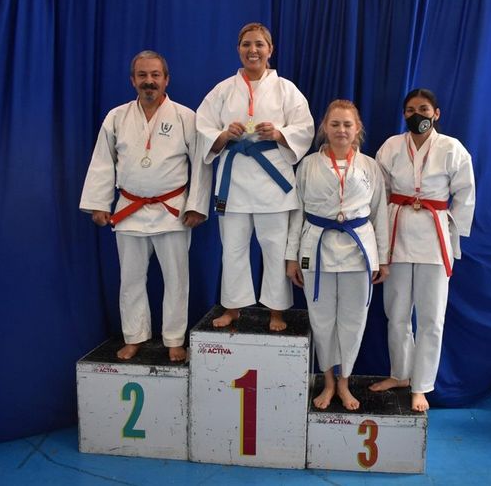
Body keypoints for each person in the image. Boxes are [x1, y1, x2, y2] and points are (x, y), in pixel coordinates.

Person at [79, 50, 211, 362]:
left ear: (166, 80)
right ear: (132, 80)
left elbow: (201, 164)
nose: (149, 81)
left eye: (155, 75)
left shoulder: (186, 117)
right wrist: (99, 203)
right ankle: (134, 336)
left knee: (177, 279)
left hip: (172, 210)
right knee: (131, 279)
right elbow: (102, 162)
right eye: (142, 75)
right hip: (130, 209)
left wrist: (196, 205)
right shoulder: (116, 117)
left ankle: (174, 339)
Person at [196, 22, 314, 332]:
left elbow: (305, 127)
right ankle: (232, 307)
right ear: (238, 49)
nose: (253, 50)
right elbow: (202, 126)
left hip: (271, 179)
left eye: (259, 44)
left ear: (270, 49)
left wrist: (279, 133)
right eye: (247, 44)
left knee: (274, 248)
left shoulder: (286, 89)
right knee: (233, 247)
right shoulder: (223, 90)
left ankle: (276, 310)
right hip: (234, 179)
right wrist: (224, 134)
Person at [371, 89, 475, 412]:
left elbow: (465, 194)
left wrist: (451, 229)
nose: (418, 114)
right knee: (397, 312)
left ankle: (422, 386)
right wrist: (381, 230)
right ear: (404, 114)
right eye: (411, 109)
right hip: (398, 232)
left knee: (431, 317)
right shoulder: (391, 146)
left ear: (436, 113)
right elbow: (380, 190)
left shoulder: (452, 149)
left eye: (424, 108)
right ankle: (401, 374)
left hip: (434, 236)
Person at [286, 100, 389, 410]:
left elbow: (380, 214)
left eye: (347, 124)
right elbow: (296, 213)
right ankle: (328, 381)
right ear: (324, 128)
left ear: (357, 129)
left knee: (353, 320)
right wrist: (291, 257)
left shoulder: (370, 166)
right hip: (317, 248)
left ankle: (344, 382)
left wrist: (382, 258)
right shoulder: (308, 165)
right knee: (321, 319)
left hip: (359, 251)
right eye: (335, 124)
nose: (341, 130)